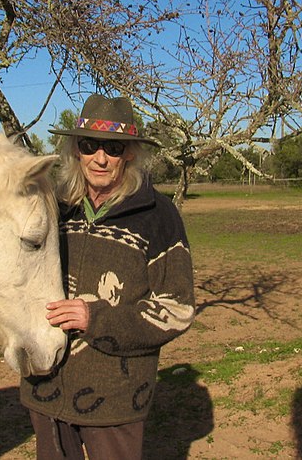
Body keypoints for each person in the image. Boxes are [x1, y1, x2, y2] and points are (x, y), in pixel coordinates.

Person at [20, 94, 195, 460]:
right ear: (75, 150)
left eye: (113, 148)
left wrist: (95, 318)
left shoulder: (158, 215)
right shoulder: (55, 208)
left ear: (130, 153)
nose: (101, 158)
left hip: (116, 399)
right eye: (89, 146)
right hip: (46, 387)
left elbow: (177, 309)